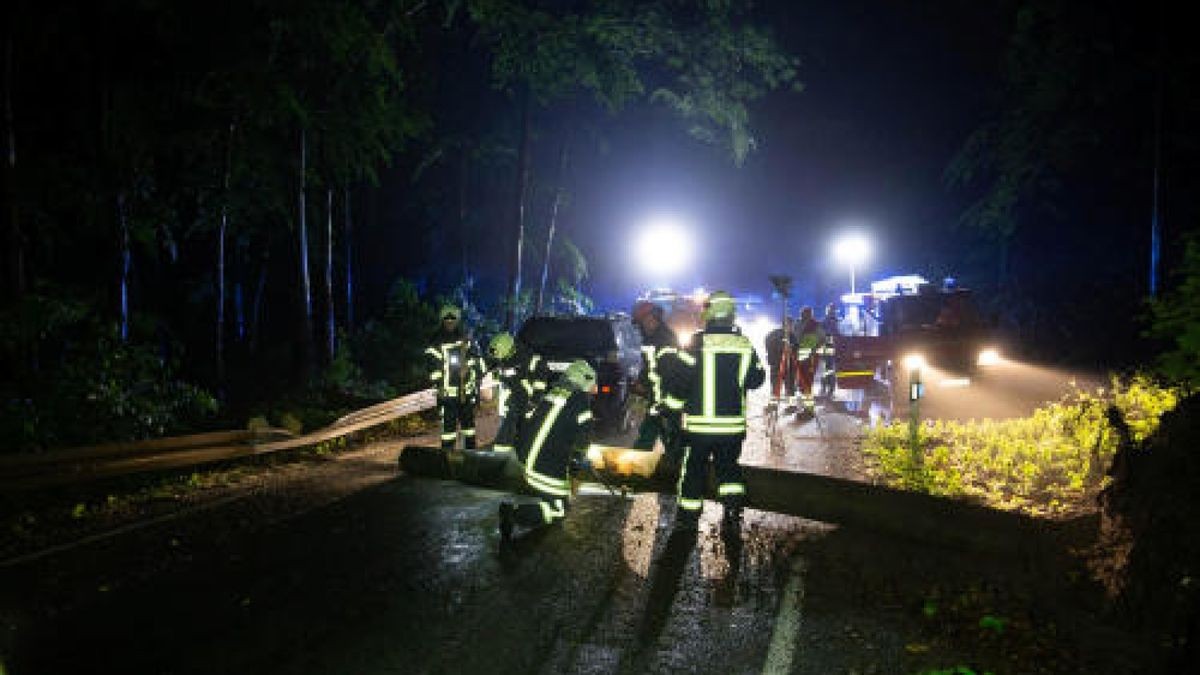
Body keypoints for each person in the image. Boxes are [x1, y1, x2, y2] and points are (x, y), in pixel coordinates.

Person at [660, 290, 766, 533]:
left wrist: (670, 410)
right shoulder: (744, 344)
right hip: (732, 429)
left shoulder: (696, 343)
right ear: (731, 316)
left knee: (694, 470)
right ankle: (731, 512)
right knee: (729, 469)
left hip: (699, 429)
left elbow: (679, 383)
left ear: (708, 314)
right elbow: (757, 379)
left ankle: (687, 518)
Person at [498, 359, 597, 540]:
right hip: (545, 468)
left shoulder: (553, 393)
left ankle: (530, 498)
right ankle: (515, 513)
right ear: (583, 380)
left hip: (525, 460)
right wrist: (576, 465)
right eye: (592, 384)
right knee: (559, 509)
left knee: (552, 496)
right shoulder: (581, 402)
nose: (594, 389)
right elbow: (583, 440)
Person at [630, 301, 684, 470]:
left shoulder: (666, 339)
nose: (640, 328)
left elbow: (668, 374)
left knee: (672, 442)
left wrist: (659, 402)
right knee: (646, 437)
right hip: (656, 400)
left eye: (641, 323)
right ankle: (634, 473)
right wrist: (640, 383)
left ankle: (676, 477)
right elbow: (649, 368)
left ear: (652, 318)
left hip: (666, 403)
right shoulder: (651, 339)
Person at [425, 305, 485, 450]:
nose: (450, 322)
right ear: (442, 321)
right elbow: (432, 369)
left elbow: (481, 365)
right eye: (447, 319)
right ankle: (447, 459)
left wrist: (469, 369)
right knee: (448, 433)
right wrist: (439, 387)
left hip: (466, 395)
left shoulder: (467, 340)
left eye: (453, 319)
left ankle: (471, 458)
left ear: (457, 320)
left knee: (469, 430)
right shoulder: (435, 342)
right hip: (448, 398)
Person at [487, 332, 552, 454]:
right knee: (507, 431)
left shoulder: (531, 359)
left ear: (506, 348)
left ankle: (518, 455)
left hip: (528, 402)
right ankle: (501, 456)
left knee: (528, 433)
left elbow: (540, 383)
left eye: (498, 354)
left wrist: (534, 401)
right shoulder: (507, 359)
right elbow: (504, 376)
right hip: (513, 401)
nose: (498, 358)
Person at [793, 306, 825, 415]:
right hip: (800, 359)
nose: (804, 315)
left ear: (810, 314)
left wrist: (815, 353)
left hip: (810, 360)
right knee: (802, 384)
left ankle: (809, 409)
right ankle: (805, 407)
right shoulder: (797, 324)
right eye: (803, 313)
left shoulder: (816, 326)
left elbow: (822, 341)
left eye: (806, 314)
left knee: (807, 383)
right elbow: (794, 339)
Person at [763, 316, 797, 408]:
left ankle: (788, 405)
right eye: (791, 325)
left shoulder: (790, 336)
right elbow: (768, 344)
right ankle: (780, 405)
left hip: (783, 365)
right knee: (783, 387)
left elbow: (795, 350)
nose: (791, 327)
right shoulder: (788, 336)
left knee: (782, 387)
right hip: (781, 365)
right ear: (787, 325)